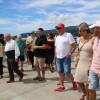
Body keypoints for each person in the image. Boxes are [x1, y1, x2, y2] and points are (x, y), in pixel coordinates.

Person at [74, 22, 94, 100]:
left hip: (89, 62)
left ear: (85, 30)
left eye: (80, 31)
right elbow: (79, 50)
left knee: (87, 82)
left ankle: (87, 97)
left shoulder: (93, 39)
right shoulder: (80, 39)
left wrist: (92, 64)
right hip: (81, 62)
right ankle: (85, 93)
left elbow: (96, 52)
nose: (79, 33)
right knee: (78, 80)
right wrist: (76, 60)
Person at [54, 23, 77, 91]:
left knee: (67, 72)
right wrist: (55, 56)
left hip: (66, 57)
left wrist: (70, 54)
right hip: (58, 57)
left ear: (64, 28)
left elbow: (74, 46)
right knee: (60, 72)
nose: (58, 30)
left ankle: (74, 81)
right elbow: (56, 47)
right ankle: (62, 86)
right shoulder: (57, 37)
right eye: (57, 28)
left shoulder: (68, 35)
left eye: (59, 28)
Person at [88, 21, 100, 100]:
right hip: (93, 69)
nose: (92, 30)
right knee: (91, 89)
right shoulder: (95, 39)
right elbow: (94, 53)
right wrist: (90, 65)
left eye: (93, 28)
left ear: (99, 29)